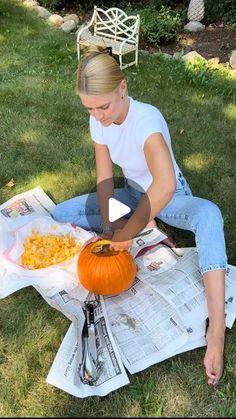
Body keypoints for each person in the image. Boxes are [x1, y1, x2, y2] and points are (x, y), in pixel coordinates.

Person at [52, 46, 227, 386]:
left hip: (170, 197)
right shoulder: (97, 119)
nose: (99, 115)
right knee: (62, 212)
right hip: (131, 193)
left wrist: (129, 231)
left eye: (104, 106)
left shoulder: (147, 121)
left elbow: (162, 185)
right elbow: (105, 179)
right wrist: (112, 223)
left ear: (122, 88)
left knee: (209, 215)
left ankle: (216, 331)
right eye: (90, 108)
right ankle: (145, 223)